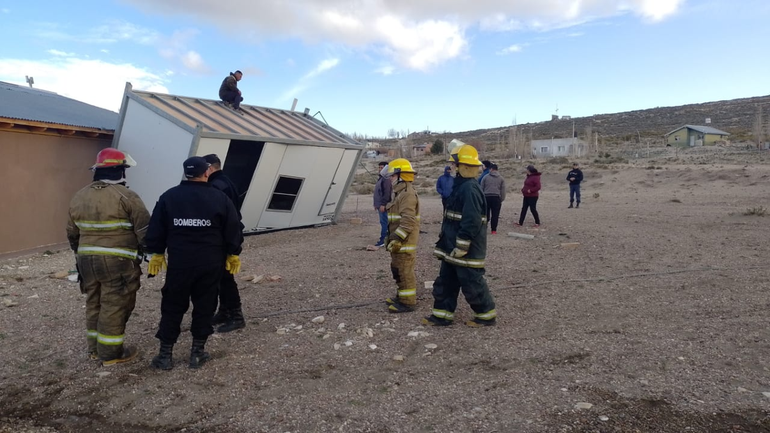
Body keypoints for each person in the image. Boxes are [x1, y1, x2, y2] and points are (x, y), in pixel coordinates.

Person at [145, 156, 244, 370]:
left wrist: (156, 252)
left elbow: (156, 228)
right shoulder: (219, 198)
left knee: (172, 306)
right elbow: (233, 228)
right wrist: (233, 252)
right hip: (210, 263)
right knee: (205, 306)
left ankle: (165, 356)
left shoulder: (169, 197)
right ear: (206, 172)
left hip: (180, 263)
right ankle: (197, 353)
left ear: (186, 173)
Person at [66, 148, 150, 366]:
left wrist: (79, 254)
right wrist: (150, 252)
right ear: (120, 170)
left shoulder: (79, 196)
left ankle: (94, 350)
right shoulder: (127, 196)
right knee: (114, 304)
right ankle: (111, 354)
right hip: (118, 262)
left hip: (86, 260)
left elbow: (72, 232)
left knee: (94, 302)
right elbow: (145, 229)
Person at [423, 145, 497, 327]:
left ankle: (486, 316)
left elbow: (471, 221)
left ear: (463, 166)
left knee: (472, 283)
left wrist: (462, 246)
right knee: (446, 282)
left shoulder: (470, 189)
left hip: (466, 250)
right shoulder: (461, 186)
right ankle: (442, 316)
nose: (452, 168)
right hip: (451, 247)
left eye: (455, 164)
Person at [203, 154, 246, 333]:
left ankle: (236, 316)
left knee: (225, 279)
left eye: (204, 169)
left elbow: (219, 215)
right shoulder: (226, 180)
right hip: (228, 235)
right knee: (222, 278)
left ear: (211, 168)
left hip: (222, 237)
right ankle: (224, 311)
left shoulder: (216, 186)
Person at [384, 158, 421, 313]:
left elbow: (407, 221)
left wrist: (397, 238)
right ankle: (401, 296)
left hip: (404, 242)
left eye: (393, 176)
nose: (391, 179)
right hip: (398, 241)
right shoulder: (399, 193)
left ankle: (408, 302)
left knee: (405, 271)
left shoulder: (407, 194)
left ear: (401, 176)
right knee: (398, 269)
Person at [480, 163, 505, 234]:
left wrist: (482, 198)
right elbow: (503, 190)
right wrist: (501, 199)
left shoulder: (485, 177)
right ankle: (493, 230)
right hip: (496, 198)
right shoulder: (501, 178)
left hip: (486, 197)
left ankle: (484, 227)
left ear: (491, 169)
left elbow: (481, 188)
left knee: (485, 214)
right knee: (495, 214)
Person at [373, 161, 392, 248]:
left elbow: (386, 193)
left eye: (382, 168)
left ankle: (383, 239)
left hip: (383, 205)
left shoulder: (386, 179)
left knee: (384, 222)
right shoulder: (381, 178)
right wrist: (376, 204)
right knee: (383, 222)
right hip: (379, 204)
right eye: (379, 168)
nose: (380, 169)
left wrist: (383, 204)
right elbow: (378, 192)